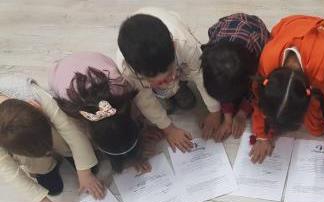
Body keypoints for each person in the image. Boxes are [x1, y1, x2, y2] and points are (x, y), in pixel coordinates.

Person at [1, 76, 104, 202]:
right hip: (22, 144)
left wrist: (85, 172)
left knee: (64, 134)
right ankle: (44, 169)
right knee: (30, 158)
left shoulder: (33, 95)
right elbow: (12, 175)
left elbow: (71, 131)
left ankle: (69, 153)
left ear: (35, 107)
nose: (48, 152)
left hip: (47, 126)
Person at [116, 7, 221, 153]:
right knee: (156, 108)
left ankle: (178, 85)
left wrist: (215, 112)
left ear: (173, 46)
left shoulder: (186, 44)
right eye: (157, 81)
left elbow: (201, 75)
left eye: (169, 73)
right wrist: (168, 129)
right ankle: (165, 89)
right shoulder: (127, 71)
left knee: (189, 92)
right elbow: (144, 100)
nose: (166, 81)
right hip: (156, 76)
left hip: (178, 50)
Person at [250, 15, 324, 163]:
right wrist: (262, 135)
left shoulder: (323, 67)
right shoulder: (267, 60)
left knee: (316, 129)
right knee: (313, 127)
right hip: (290, 26)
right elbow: (259, 98)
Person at [49, 51, 158, 173]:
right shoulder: (72, 111)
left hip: (93, 60)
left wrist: (143, 130)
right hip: (61, 72)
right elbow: (78, 139)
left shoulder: (120, 89)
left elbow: (136, 105)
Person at [201, 13, 270, 140]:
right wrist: (227, 117)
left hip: (255, 31)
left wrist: (242, 113)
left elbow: (256, 84)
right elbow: (219, 84)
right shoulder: (210, 55)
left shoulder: (260, 55)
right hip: (226, 28)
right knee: (226, 84)